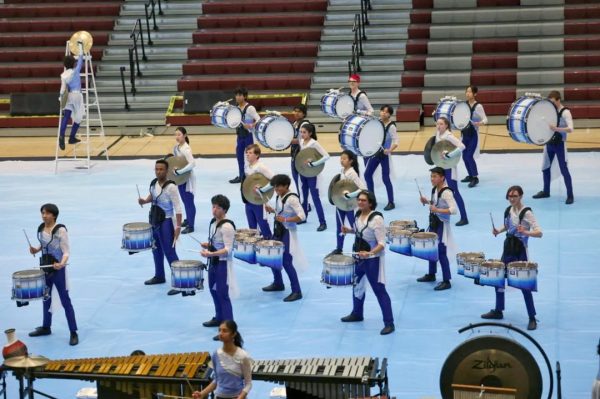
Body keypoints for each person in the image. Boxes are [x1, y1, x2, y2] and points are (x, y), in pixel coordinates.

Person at [482, 185, 542, 330]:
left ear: (521, 196)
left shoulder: (527, 213)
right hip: (508, 249)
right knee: (499, 278)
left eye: (514, 196)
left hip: (520, 251)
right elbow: (508, 226)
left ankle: (532, 317)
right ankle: (498, 310)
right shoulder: (509, 210)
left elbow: (539, 232)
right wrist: (499, 230)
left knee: (525, 285)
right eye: (509, 196)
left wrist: (526, 233)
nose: (511, 198)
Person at [340, 190, 395, 335]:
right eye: (358, 200)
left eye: (363, 200)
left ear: (370, 203)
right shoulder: (358, 214)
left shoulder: (376, 219)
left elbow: (382, 243)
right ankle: (357, 313)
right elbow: (360, 233)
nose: (360, 202)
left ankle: (389, 323)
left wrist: (369, 253)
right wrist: (349, 230)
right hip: (359, 258)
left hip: (372, 260)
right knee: (357, 285)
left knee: (379, 291)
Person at [28, 203, 78, 346]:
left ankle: (73, 331)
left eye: (47, 213)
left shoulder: (60, 230)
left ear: (54, 215)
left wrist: (61, 263)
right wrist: (35, 250)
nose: (44, 216)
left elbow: (66, 251)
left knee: (65, 300)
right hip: (45, 267)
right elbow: (44, 246)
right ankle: (46, 327)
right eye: (42, 213)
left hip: (57, 269)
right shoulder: (41, 228)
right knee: (45, 297)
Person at [138, 159, 182, 295]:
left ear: (167, 171)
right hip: (154, 221)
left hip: (167, 222)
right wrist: (145, 201)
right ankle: (159, 275)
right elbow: (153, 195)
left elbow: (178, 209)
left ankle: (179, 282)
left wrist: (178, 227)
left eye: (161, 169)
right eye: (156, 169)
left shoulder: (171, 187)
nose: (158, 171)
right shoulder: (153, 183)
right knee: (155, 250)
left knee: (169, 251)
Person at [264, 174, 306, 301]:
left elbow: (302, 216)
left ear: (286, 186)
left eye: (278, 187)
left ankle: (297, 291)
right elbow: (281, 213)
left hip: (288, 233)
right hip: (278, 230)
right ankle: (278, 283)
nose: (276, 189)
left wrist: (286, 219)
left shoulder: (292, 199)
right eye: (275, 187)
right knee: (272, 257)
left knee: (287, 262)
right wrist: (272, 211)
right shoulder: (279, 196)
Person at [201, 195, 236, 340]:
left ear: (224, 210)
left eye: (218, 208)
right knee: (213, 290)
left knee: (223, 294)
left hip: (222, 264)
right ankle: (219, 317)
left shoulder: (227, 227)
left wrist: (212, 253)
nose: (214, 210)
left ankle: (229, 329)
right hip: (214, 262)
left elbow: (228, 249)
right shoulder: (214, 223)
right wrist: (208, 246)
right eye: (213, 206)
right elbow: (217, 243)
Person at [417, 167, 458, 291]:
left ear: (442, 177)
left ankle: (447, 280)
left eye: (435, 176)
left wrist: (437, 210)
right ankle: (431, 274)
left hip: (442, 225)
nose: (432, 179)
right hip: (434, 223)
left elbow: (454, 210)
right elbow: (436, 204)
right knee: (431, 247)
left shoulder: (447, 192)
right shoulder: (435, 189)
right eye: (431, 176)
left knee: (441, 252)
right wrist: (427, 201)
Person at [532, 90, 574, 205]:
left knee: (564, 169)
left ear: (559, 100)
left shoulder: (565, 112)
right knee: (545, 167)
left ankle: (570, 195)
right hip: (549, 143)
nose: (552, 104)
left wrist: (557, 129)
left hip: (560, 144)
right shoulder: (550, 111)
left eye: (553, 102)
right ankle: (546, 191)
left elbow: (571, 129)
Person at [192, 320, 252, 399]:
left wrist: (241, 396)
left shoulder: (243, 356)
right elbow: (217, 380)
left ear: (233, 334)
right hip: (219, 397)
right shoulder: (216, 354)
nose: (220, 333)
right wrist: (202, 393)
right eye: (219, 330)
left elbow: (248, 384)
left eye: (225, 331)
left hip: (236, 396)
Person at [435, 116, 469, 226]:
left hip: (450, 168)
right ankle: (440, 215)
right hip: (441, 167)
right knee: (440, 191)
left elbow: (462, 146)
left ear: (446, 126)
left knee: (454, 192)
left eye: (441, 124)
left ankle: (464, 217)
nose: (438, 126)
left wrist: (450, 155)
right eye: (437, 124)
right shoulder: (438, 134)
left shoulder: (449, 136)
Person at [330, 150, 365, 255]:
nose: (342, 160)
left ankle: (360, 246)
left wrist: (350, 195)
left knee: (355, 226)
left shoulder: (352, 173)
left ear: (350, 161)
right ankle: (339, 248)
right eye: (341, 158)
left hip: (350, 205)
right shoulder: (342, 171)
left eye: (344, 159)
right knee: (339, 227)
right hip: (340, 203)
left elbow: (362, 189)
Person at [364, 105, 398, 211]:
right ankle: (371, 199)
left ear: (389, 115)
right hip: (375, 153)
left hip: (384, 155)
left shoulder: (391, 126)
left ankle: (391, 202)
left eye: (386, 112)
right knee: (367, 174)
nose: (383, 113)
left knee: (385, 178)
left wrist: (389, 150)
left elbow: (396, 141)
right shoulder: (377, 122)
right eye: (382, 111)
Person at [298, 123, 329, 231]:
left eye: (304, 132)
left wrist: (314, 164)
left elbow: (326, 156)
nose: (302, 134)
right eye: (301, 132)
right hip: (303, 173)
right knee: (304, 196)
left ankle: (322, 222)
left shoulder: (314, 143)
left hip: (312, 175)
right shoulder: (301, 141)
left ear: (310, 133)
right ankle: (303, 217)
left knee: (315, 198)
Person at [230, 87, 260, 184]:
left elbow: (259, 119)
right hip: (240, 136)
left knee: (250, 157)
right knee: (239, 156)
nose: (237, 97)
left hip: (249, 136)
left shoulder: (250, 108)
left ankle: (251, 175)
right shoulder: (236, 108)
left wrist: (251, 125)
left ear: (245, 96)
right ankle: (242, 176)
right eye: (236, 95)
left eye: (240, 95)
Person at [243, 144, 273, 239]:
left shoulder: (260, 167)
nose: (247, 154)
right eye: (246, 153)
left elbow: (275, 179)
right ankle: (255, 245)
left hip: (259, 200)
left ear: (257, 155)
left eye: (250, 153)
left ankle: (269, 242)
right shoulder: (247, 166)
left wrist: (263, 189)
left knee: (263, 224)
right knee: (252, 227)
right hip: (248, 200)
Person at [460, 85, 487, 188]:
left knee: (469, 156)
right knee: (464, 156)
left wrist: (479, 123)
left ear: (475, 94)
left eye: (470, 92)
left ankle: (475, 177)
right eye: (466, 91)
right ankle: (470, 175)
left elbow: (485, 120)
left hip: (473, 135)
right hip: (464, 134)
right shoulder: (463, 105)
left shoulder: (478, 106)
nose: (467, 94)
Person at [58, 45, 84, 151]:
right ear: (73, 63)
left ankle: (61, 135)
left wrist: (60, 99)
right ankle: (72, 137)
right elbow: (81, 58)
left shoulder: (63, 75)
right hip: (77, 95)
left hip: (68, 96)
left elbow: (62, 89)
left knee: (66, 116)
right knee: (79, 117)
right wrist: (81, 46)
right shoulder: (76, 71)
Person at [172, 127, 196, 234]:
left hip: (187, 178)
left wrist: (180, 172)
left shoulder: (186, 149)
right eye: (175, 134)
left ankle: (191, 225)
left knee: (189, 202)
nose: (177, 137)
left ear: (185, 135)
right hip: (180, 177)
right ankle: (188, 219)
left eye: (179, 134)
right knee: (184, 200)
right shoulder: (176, 148)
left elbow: (192, 164)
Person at [291, 104, 310, 202]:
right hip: (294, 153)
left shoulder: (304, 124)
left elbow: (303, 139)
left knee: (301, 180)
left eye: (299, 111)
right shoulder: (294, 123)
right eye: (295, 111)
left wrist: (288, 141)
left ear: (304, 114)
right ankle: (302, 199)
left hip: (302, 155)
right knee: (296, 178)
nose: (296, 113)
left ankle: (305, 202)